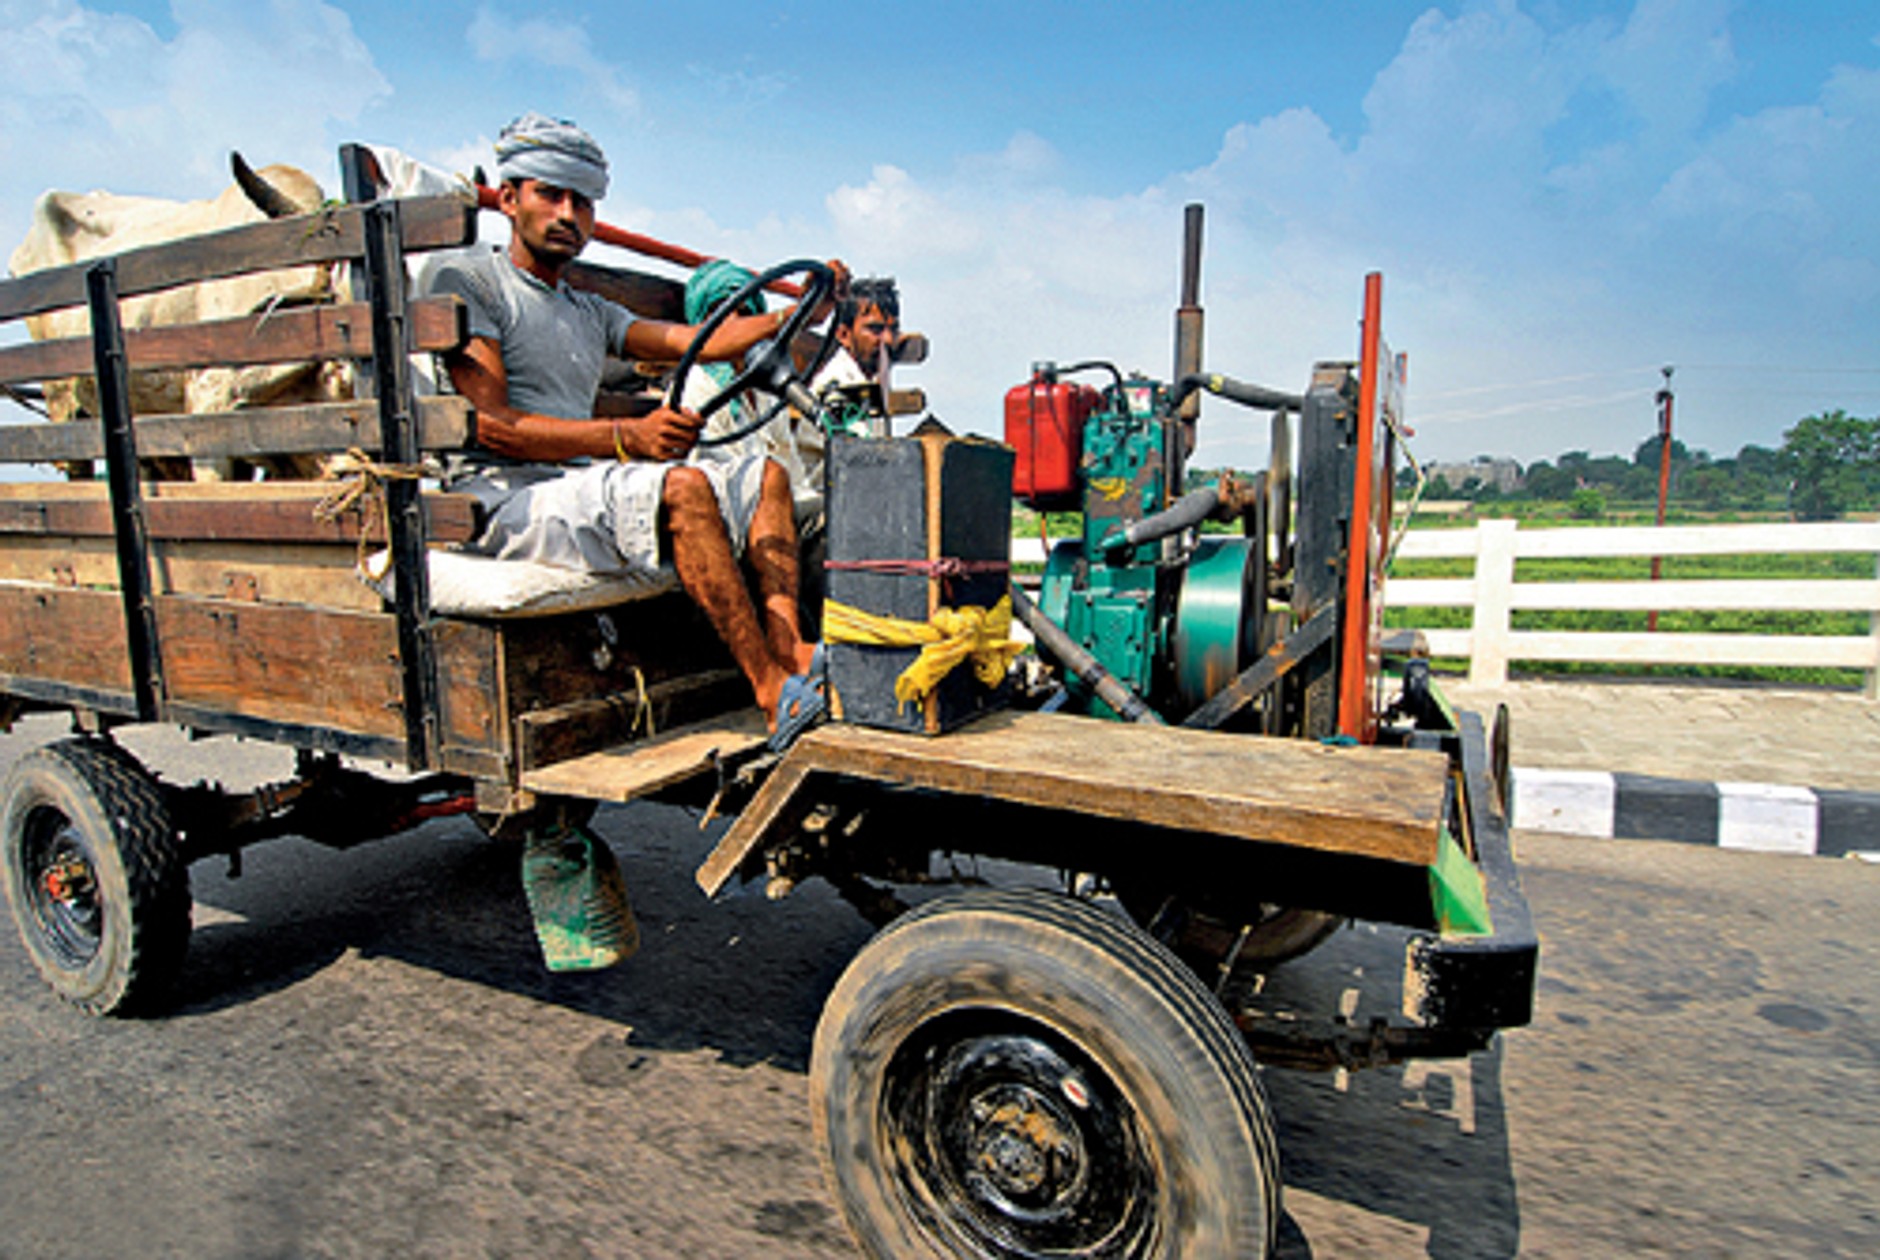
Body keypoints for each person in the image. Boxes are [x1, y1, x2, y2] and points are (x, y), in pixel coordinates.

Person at [417, 113, 835, 743]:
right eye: (549, 194)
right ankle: (771, 693)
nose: (567, 213)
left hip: (573, 482)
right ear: (508, 199)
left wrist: (801, 309)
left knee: (765, 475)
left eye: (581, 201)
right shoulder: (474, 283)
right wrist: (625, 440)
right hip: (500, 496)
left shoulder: (588, 309)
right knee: (683, 488)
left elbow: (701, 340)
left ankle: (791, 648)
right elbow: (493, 427)